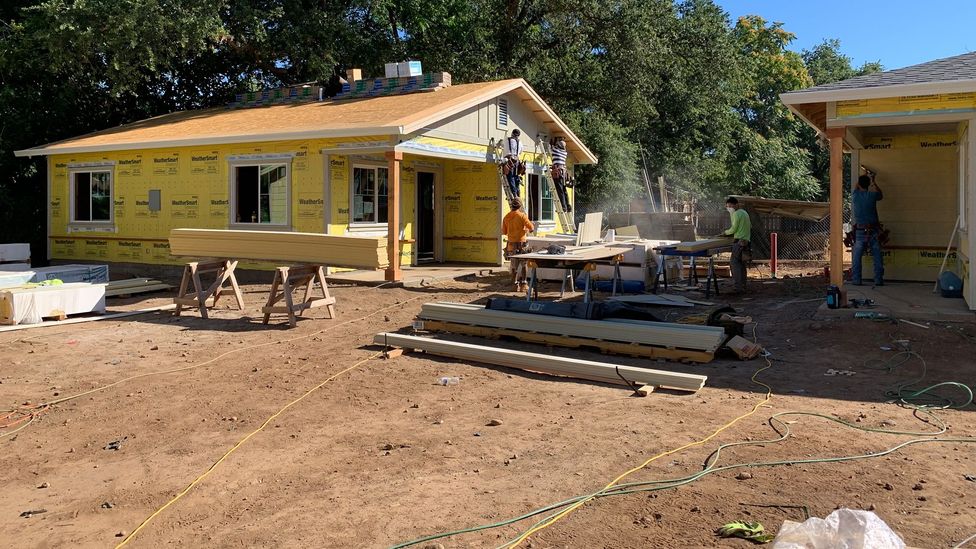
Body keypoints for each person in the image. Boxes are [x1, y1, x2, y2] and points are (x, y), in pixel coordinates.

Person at [851, 171, 884, 286]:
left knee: (857, 257)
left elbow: (857, 186)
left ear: (859, 185)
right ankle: (878, 280)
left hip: (860, 231)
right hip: (873, 230)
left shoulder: (855, 195)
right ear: (868, 184)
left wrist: (863, 176)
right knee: (877, 255)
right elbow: (881, 195)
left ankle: (856, 279)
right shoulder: (872, 195)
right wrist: (873, 181)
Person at [502, 198, 535, 290]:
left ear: (511, 206)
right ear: (520, 206)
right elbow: (531, 228)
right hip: (521, 244)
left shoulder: (506, 217)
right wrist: (526, 229)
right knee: (523, 264)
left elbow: (504, 232)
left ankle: (514, 285)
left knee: (514, 265)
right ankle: (524, 284)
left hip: (511, 245)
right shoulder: (522, 216)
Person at [721, 196, 752, 294]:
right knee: (742, 265)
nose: (729, 208)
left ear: (736, 205)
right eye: (727, 206)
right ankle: (743, 285)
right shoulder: (744, 213)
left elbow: (733, 229)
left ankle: (738, 287)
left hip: (739, 242)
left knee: (735, 264)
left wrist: (725, 233)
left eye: (730, 206)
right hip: (746, 241)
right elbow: (750, 226)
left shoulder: (736, 214)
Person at [549, 136, 572, 212]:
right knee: (564, 190)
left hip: (558, 172)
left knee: (560, 190)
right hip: (563, 173)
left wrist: (553, 141)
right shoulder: (564, 153)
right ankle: (568, 206)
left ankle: (563, 207)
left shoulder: (555, 151)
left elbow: (550, 147)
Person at [503, 129, 524, 198]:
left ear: (512, 133)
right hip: (516, 161)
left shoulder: (507, 140)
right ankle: (517, 194)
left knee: (510, 177)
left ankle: (514, 195)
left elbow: (503, 146)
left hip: (509, 160)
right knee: (516, 177)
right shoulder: (520, 142)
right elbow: (521, 151)